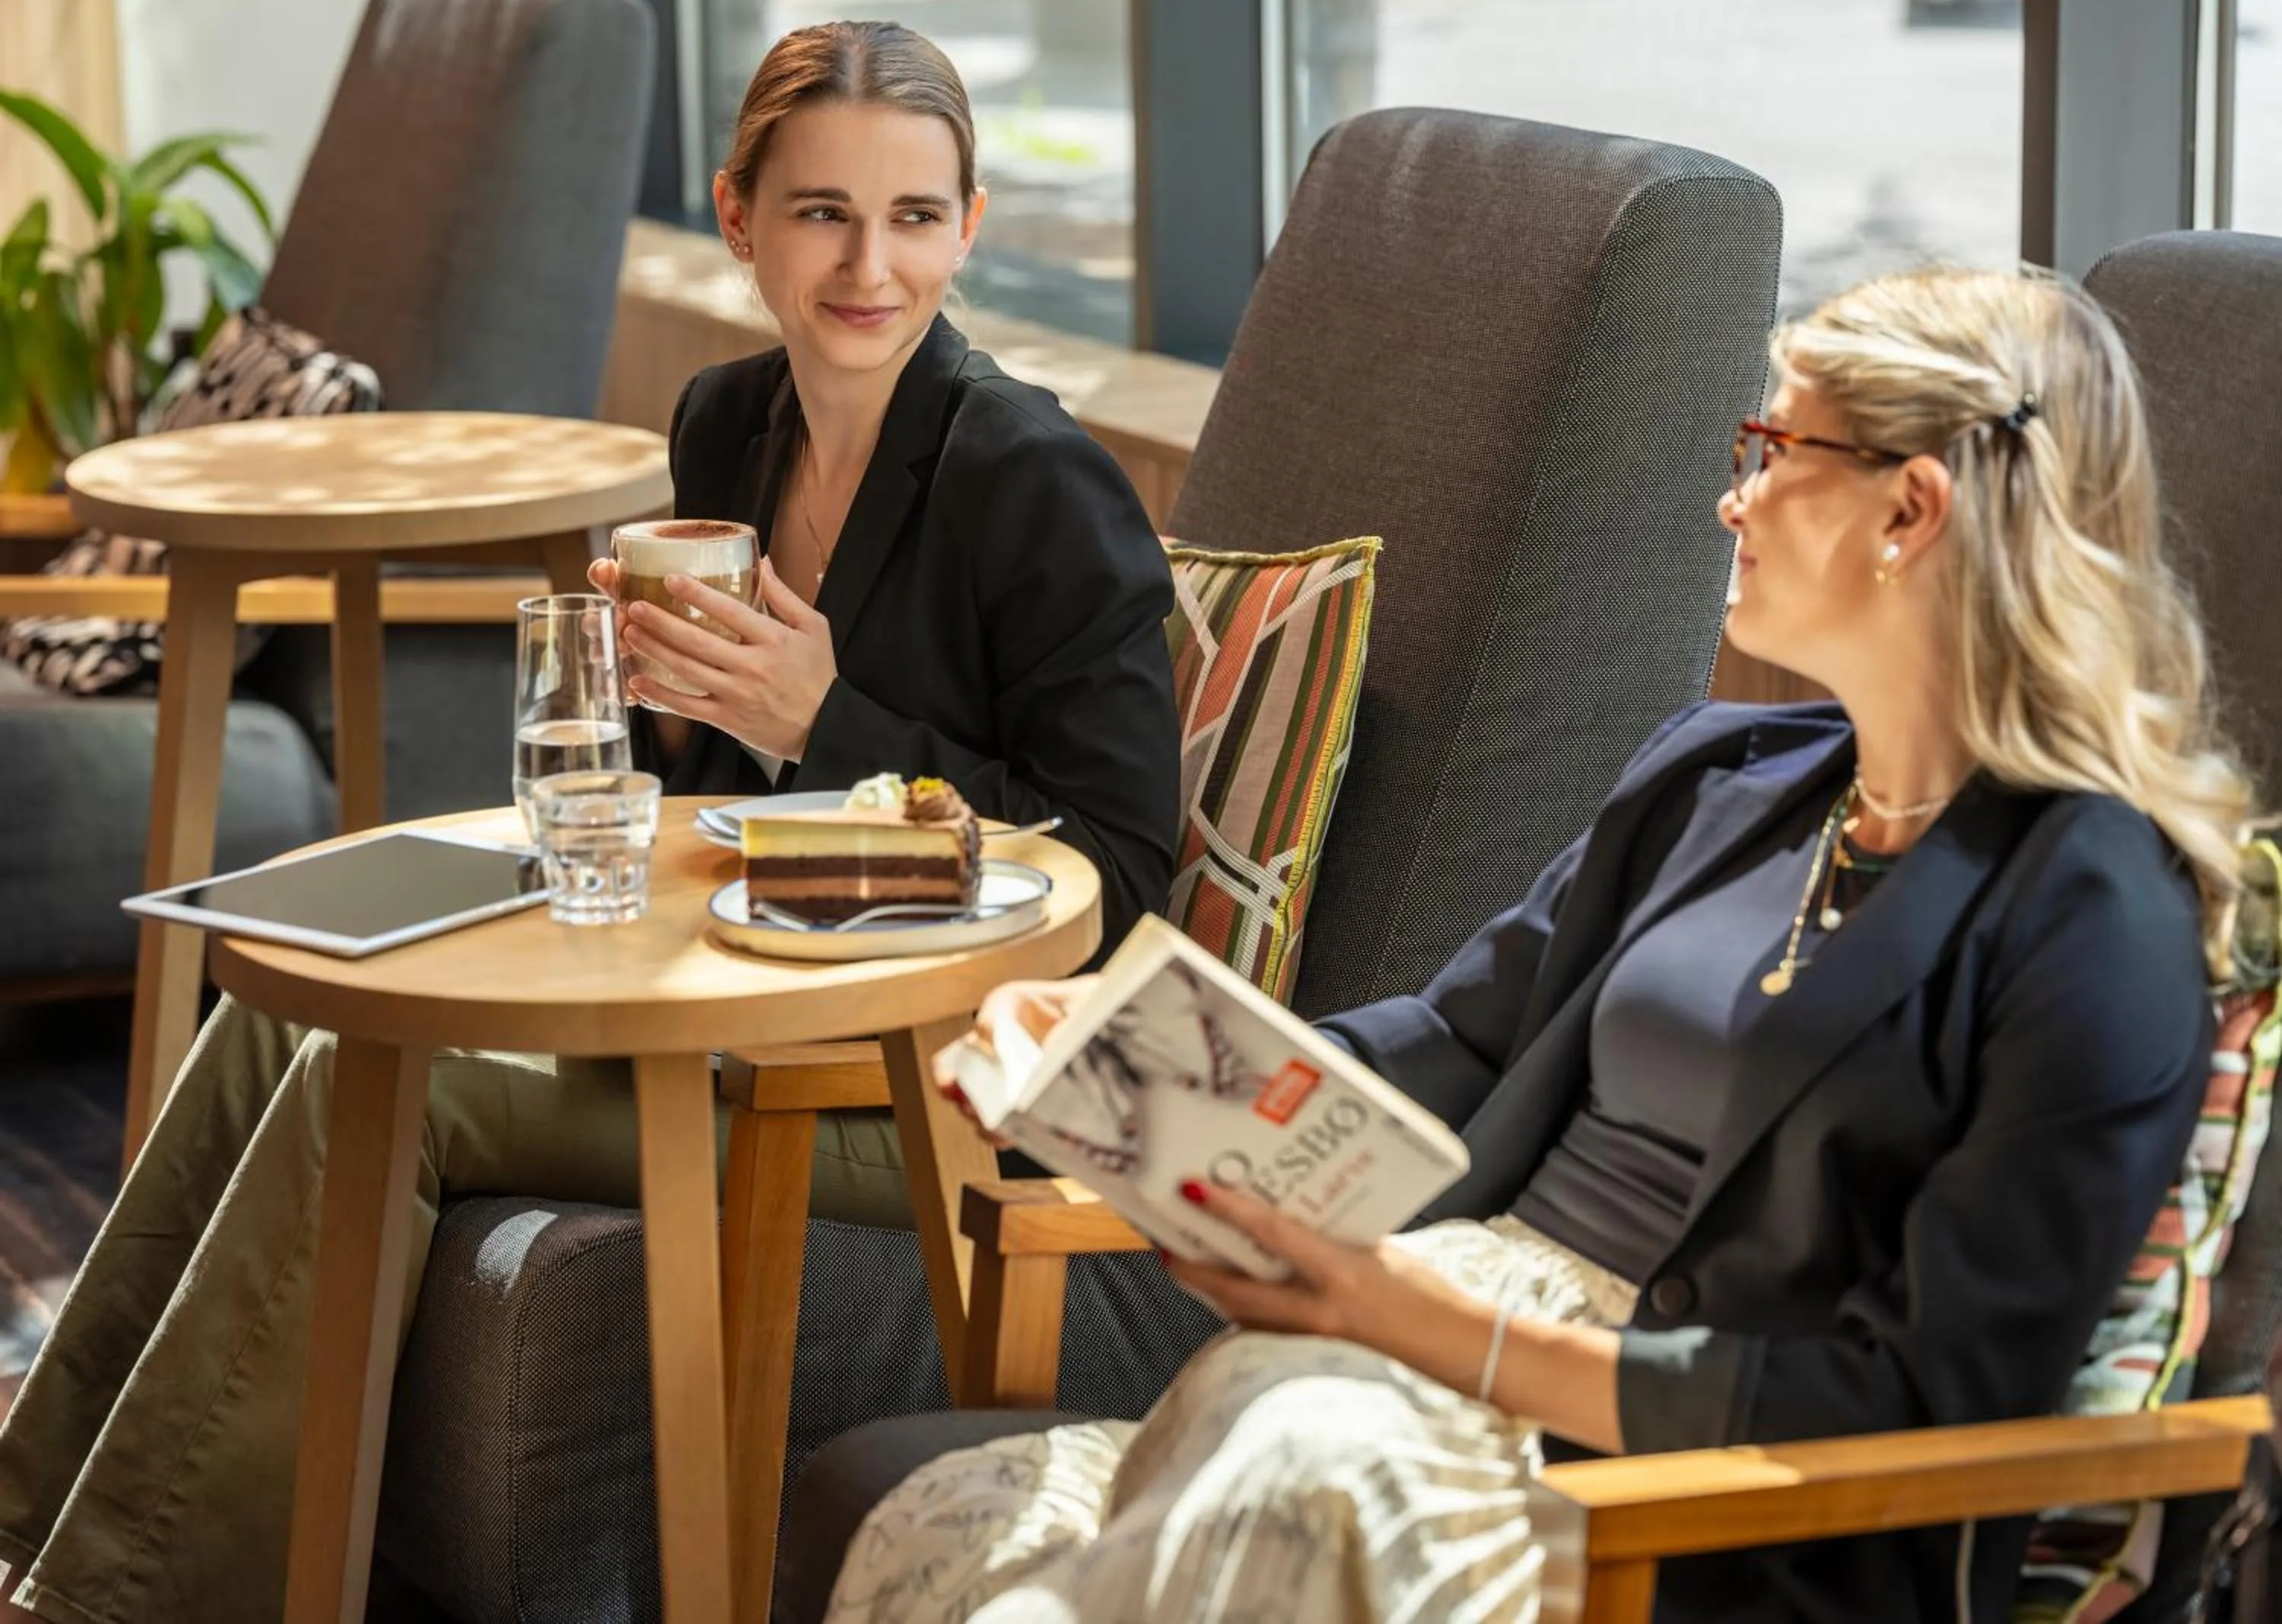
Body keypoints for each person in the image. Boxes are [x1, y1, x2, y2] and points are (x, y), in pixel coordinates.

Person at [825, 265, 2252, 1624]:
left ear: (1911, 508)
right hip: (1415, 1358)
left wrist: (1441, 1330)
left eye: (1774, 447)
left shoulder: (2093, 911)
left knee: (1290, 1460)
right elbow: (1458, 1040)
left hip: (1670, 1492)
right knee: (947, 1518)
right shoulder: (1725, 777)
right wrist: (1121, 1066)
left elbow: (1932, 1392)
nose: (1732, 495)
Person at [0, 21, 1178, 1624]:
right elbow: (712, 795)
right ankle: (28, 1515)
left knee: (378, 1077)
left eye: (914, 216)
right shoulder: (727, 427)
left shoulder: (1035, 482)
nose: (869, 266)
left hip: (931, 1078)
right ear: (740, 217)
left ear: (969, 227)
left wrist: (820, 721)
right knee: (275, 1002)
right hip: (733, 993)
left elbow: (1120, 878)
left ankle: (114, 1600)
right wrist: (667, 701)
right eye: (822, 212)